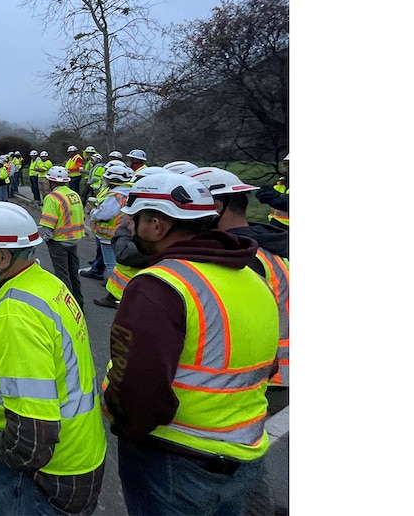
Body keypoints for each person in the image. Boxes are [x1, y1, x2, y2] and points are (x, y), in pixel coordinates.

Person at [102, 173, 278, 516]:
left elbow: (138, 391)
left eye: (135, 220)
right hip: (246, 455)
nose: (130, 228)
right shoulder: (253, 278)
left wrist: (126, 428)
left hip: (174, 459)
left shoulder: (160, 285)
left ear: (156, 224)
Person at [0, 202, 107, 515]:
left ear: (2, 256)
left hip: (45, 473)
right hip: (80, 453)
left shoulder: (16, 314)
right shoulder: (47, 284)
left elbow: (30, 437)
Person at [187, 166, 290, 409]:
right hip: (275, 372)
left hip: (263, 377)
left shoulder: (241, 258)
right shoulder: (265, 245)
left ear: (217, 206)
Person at [81, 164, 135, 301]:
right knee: (116, 263)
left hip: (108, 235)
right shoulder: (127, 192)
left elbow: (104, 214)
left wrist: (93, 211)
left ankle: (113, 294)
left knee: (111, 264)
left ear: (112, 180)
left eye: (106, 178)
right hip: (119, 232)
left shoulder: (114, 195)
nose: (104, 180)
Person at [38, 165, 88, 309]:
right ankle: (79, 302)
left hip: (59, 241)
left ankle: (68, 308)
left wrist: (44, 239)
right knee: (73, 274)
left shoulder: (52, 198)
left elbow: (48, 225)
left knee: (62, 275)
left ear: (50, 181)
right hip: (74, 239)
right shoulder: (74, 194)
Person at [255, 153, 290, 229]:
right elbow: (265, 193)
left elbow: (285, 202)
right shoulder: (282, 182)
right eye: (287, 164)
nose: (288, 168)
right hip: (277, 226)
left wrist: (275, 198)